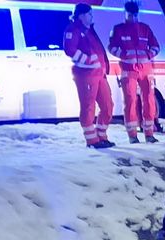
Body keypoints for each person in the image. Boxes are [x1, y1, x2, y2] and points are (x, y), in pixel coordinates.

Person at [109, 1, 161, 144]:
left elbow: (156, 46)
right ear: (125, 14)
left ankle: (149, 133)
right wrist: (124, 55)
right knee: (130, 101)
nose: (134, 17)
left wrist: (149, 55)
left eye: (136, 14)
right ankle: (132, 135)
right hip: (128, 70)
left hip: (145, 69)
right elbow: (112, 47)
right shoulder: (118, 29)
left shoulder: (145, 28)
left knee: (149, 100)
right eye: (131, 15)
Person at [63, 3, 114, 148]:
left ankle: (101, 136)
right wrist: (88, 61)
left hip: (99, 75)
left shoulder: (90, 30)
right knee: (88, 107)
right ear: (81, 15)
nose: (92, 16)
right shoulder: (73, 29)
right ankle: (92, 141)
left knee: (108, 106)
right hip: (86, 75)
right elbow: (69, 50)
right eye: (90, 14)